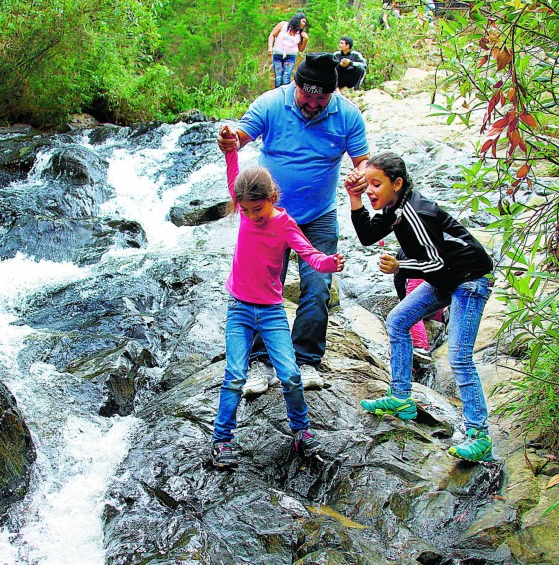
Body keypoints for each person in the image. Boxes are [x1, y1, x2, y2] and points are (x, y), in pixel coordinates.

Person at [218, 52, 370, 394]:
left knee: (317, 286)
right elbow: (240, 138)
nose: (313, 104)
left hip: (318, 216)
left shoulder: (347, 115)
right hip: (268, 219)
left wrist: (361, 176)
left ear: (333, 93)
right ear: (295, 85)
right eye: (307, 95)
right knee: (259, 288)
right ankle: (259, 361)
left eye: (322, 98)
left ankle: (306, 361)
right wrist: (229, 141)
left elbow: (363, 162)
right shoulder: (271, 103)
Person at [345, 152, 496, 463]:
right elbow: (367, 235)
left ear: (397, 183)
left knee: (459, 357)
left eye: (376, 184)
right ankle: (401, 398)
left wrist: (400, 265)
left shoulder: (417, 211)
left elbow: (435, 260)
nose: (370, 189)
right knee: (399, 320)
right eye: (367, 184)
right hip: (445, 279)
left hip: (469, 280)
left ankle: (479, 435)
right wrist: (354, 198)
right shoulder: (394, 207)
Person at [211, 125, 346, 470]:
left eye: (258, 210)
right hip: (239, 308)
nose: (252, 216)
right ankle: (222, 440)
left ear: (272, 198)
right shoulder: (242, 209)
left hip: (270, 312)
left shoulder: (284, 223)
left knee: (289, 374)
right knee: (235, 376)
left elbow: (309, 254)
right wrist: (230, 149)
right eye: (246, 210)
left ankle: (302, 432)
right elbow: (233, 170)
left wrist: (328, 262)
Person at [268, 12, 309, 88]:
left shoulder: (300, 33)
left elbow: (301, 49)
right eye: (303, 21)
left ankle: (285, 96)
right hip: (278, 55)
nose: (304, 24)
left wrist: (306, 39)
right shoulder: (283, 25)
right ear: (298, 20)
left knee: (286, 78)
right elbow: (272, 35)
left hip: (290, 57)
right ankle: (278, 97)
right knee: (278, 78)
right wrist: (270, 46)